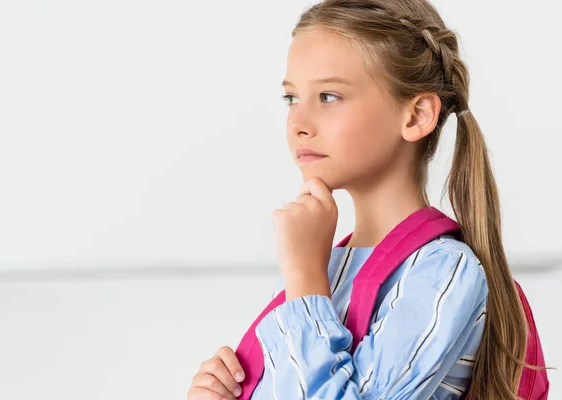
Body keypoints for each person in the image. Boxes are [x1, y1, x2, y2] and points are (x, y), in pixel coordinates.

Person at [188, 0, 533, 398]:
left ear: (416, 115)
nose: (298, 124)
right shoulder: (324, 264)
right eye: (291, 98)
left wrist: (303, 277)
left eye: (329, 96)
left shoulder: (443, 273)